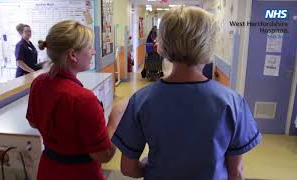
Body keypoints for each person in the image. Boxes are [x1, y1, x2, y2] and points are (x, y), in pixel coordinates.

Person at [112, 7, 261, 180]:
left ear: (162, 46)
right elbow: (236, 172)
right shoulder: (232, 102)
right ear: (209, 45)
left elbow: (128, 168)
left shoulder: (142, 100)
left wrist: (148, 167)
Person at [26, 20, 118, 180]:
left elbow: (33, 122)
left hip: (48, 170)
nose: (94, 52)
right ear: (72, 55)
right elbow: (104, 155)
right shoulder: (83, 99)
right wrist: (114, 120)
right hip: (80, 173)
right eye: (89, 47)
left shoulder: (39, 83)